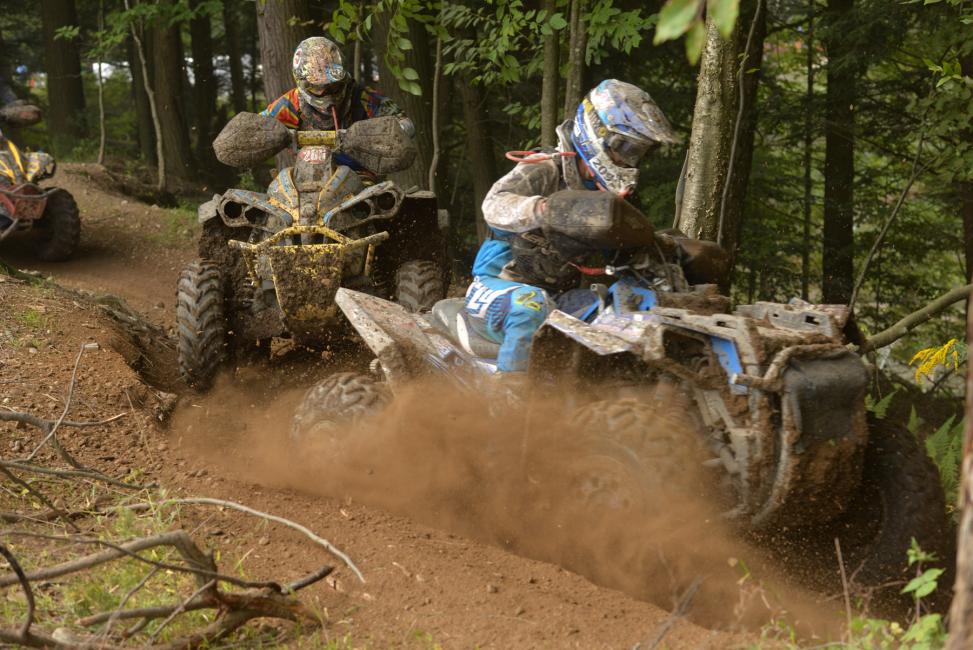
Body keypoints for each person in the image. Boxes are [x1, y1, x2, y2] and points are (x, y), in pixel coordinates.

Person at [464, 79, 680, 373]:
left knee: (619, 313)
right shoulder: (546, 167)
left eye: (637, 153)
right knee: (532, 305)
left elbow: (622, 257)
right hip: (496, 286)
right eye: (625, 148)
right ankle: (508, 406)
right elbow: (493, 204)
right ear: (597, 131)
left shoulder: (606, 199)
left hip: (558, 297)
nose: (629, 160)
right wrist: (544, 209)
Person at [261, 36, 413, 172]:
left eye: (333, 85)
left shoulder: (362, 98)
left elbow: (405, 124)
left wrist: (372, 134)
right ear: (303, 83)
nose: (326, 92)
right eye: (317, 86)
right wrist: (278, 136)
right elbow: (258, 126)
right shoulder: (291, 104)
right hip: (306, 175)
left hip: (358, 176)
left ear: (342, 79)